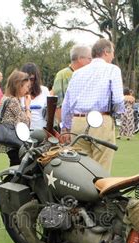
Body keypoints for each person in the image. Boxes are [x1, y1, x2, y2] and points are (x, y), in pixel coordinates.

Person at [61, 38, 124, 172]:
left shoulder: (77, 73)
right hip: (100, 120)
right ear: (106, 52)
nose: (113, 56)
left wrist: (66, 127)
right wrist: (114, 114)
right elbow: (118, 100)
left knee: (81, 169)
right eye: (112, 52)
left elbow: (67, 103)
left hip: (77, 122)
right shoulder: (112, 69)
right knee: (101, 169)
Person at [0, 70, 31, 166]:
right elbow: (26, 122)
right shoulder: (13, 101)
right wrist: (28, 107)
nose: (27, 90)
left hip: (8, 140)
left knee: (15, 165)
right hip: (13, 141)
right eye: (26, 86)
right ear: (19, 85)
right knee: (17, 167)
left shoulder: (5, 97)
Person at [51, 45, 92, 123]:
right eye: (89, 59)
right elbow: (58, 104)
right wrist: (63, 126)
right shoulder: (63, 75)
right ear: (80, 59)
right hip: (70, 124)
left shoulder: (89, 76)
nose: (91, 62)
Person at [20, 63, 49, 131]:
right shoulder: (18, 93)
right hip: (22, 132)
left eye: (32, 79)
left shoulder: (44, 91)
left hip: (41, 132)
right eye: (26, 79)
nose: (29, 82)